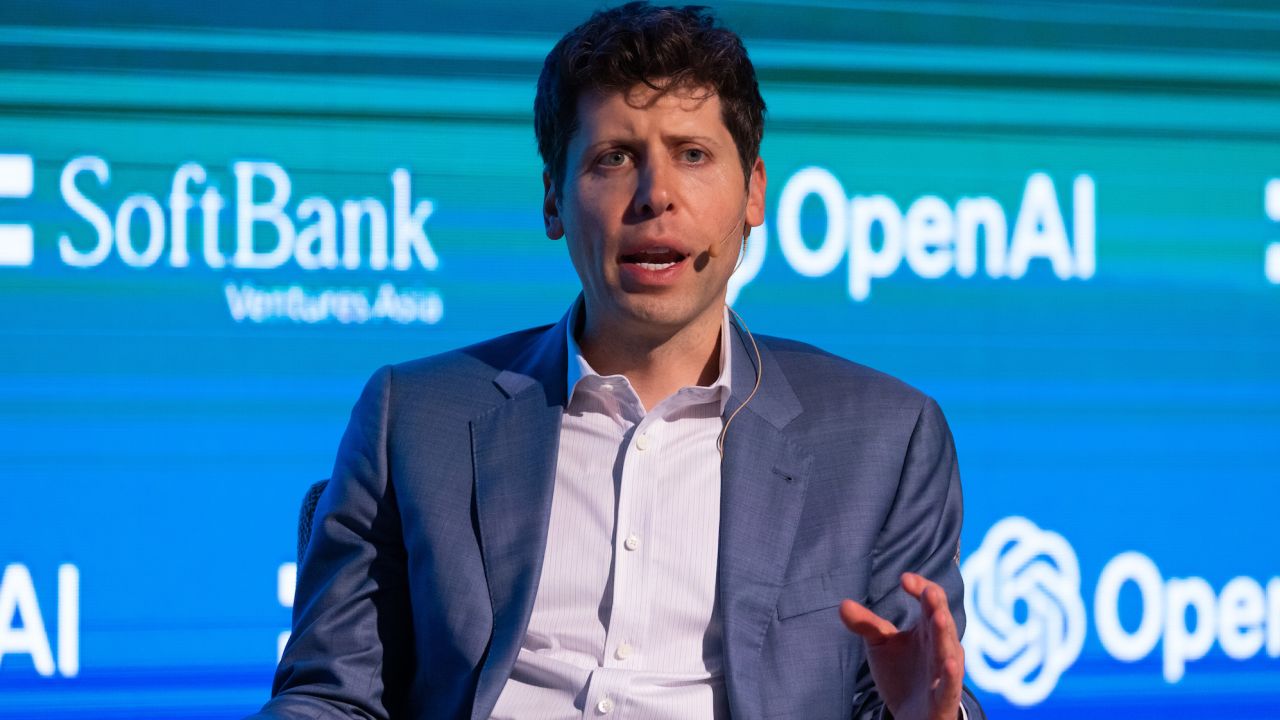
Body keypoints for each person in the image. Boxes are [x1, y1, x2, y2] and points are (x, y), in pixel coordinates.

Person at [250, 3, 984, 719]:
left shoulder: (883, 438)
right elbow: (331, 696)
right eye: (614, 158)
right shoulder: (413, 417)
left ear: (755, 192)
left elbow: (902, 694)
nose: (655, 195)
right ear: (553, 199)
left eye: (692, 155)